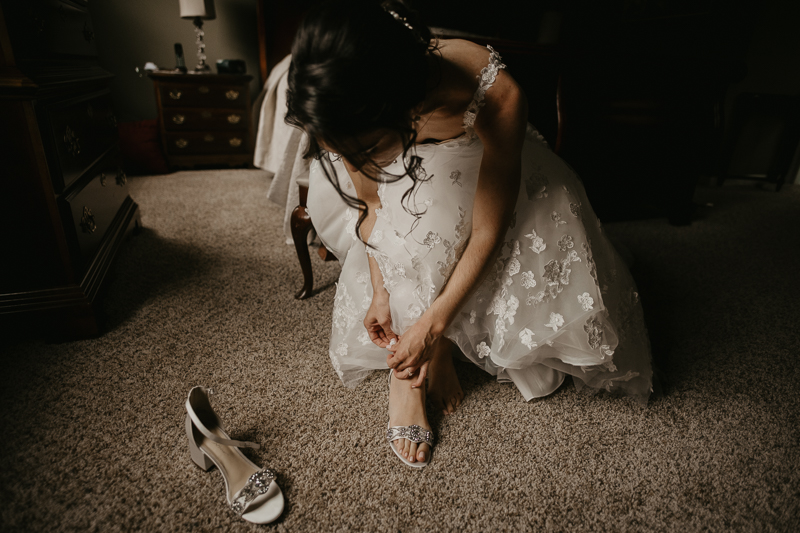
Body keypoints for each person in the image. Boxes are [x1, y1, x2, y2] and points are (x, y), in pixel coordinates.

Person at [285, 0, 653, 467]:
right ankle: (409, 377)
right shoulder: (344, 110)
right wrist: (381, 291)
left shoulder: (495, 92)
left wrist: (432, 328)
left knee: (452, 210)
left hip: (484, 164)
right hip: (406, 178)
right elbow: (374, 203)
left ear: (406, 104)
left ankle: (432, 347)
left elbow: (486, 230)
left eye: (369, 147)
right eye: (343, 151)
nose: (354, 161)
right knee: (413, 215)